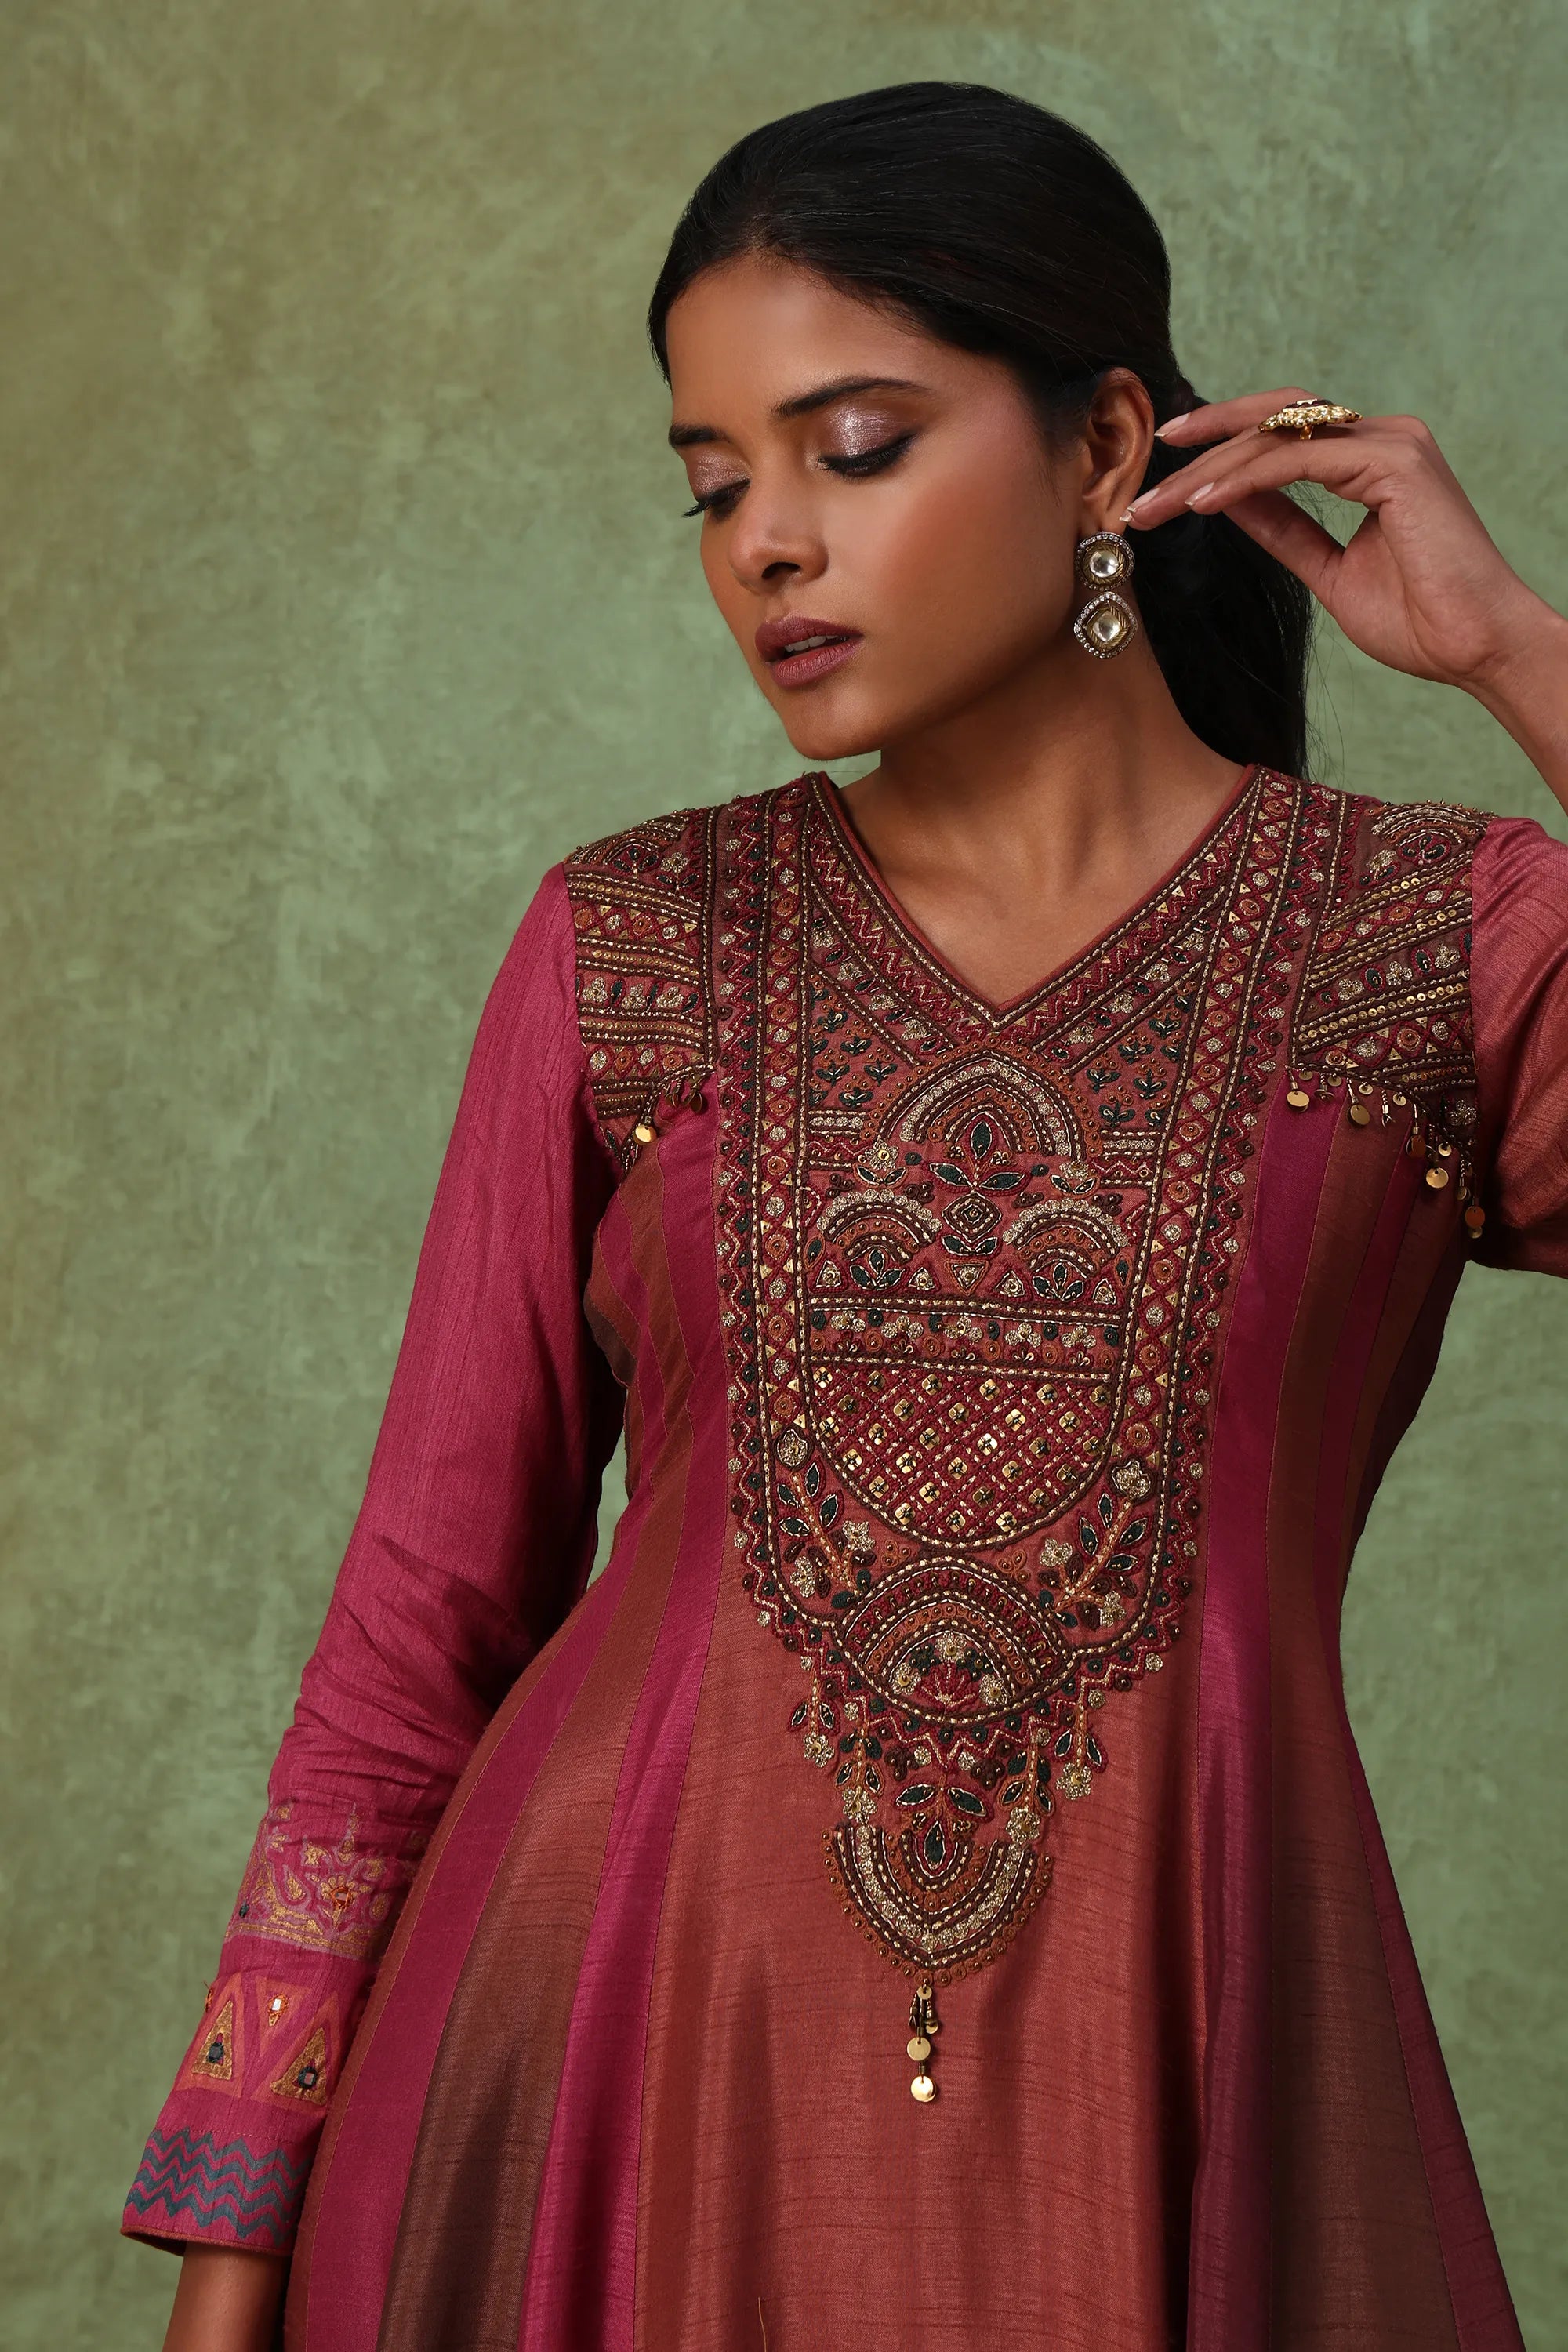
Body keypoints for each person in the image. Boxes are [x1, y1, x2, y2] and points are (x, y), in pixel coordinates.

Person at [126, 82, 1567, 2352]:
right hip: (603, 2058)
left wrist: (1519, 655)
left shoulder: (1429, 941)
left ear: (1107, 451)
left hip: (1173, 2066)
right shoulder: (634, 943)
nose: (765, 546)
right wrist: (234, 2247)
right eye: (714, 487)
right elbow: (421, 1630)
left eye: (854, 448)